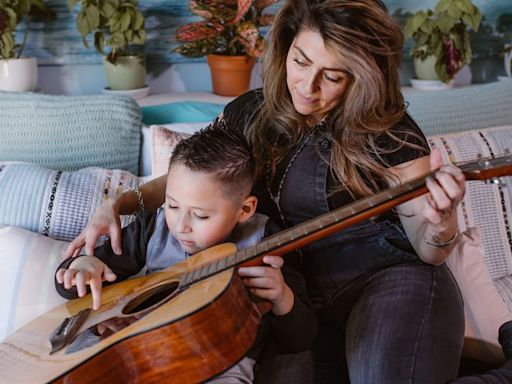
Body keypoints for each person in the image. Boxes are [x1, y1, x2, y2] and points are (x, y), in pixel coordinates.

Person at [63, 0, 494, 382]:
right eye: (301, 61)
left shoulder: (392, 132)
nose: (308, 87)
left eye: (333, 76)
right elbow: (194, 184)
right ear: (286, 45)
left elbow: (429, 248)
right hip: (299, 308)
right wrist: (114, 204)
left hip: (387, 285)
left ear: (362, 76)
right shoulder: (250, 112)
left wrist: (441, 222)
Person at [56, 123, 317, 383]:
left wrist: (283, 298)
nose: (180, 226)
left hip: (220, 364)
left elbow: (301, 339)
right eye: (172, 205)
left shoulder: (268, 241)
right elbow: (78, 286)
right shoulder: (152, 227)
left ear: (245, 210)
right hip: (141, 352)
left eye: (201, 215)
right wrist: (83, 266)